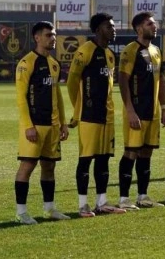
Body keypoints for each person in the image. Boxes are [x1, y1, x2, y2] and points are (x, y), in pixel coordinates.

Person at [67, 13, 126, 216]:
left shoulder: (110, 54)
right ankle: (83, 204)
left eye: (113, 26)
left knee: (103, 159)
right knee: (86, 159)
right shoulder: (85, 50)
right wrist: (79, 108)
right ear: (99, 29)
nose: (113, 30)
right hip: (89, 115)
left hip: (106, 116)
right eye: (110, 26)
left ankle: (102, 202)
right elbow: (72, 82)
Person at [14, 21, 70, 224]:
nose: (53, 38)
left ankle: (49, 209)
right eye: (48, 35)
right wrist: (28, 126)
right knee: (28, 166)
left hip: (52, 126)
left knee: (49, 167)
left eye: (54, 35)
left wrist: (63, 123)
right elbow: (21, 98)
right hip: (35, 125)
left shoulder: (54, 64)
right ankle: (21, 212)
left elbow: (58, 95)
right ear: (37, 38)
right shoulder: (26, 63)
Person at [117, 12, 165, 210]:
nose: (154, 27)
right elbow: (123, 81)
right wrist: (130, 110)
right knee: (131, 152)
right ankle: (123, 198)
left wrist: (163, 108)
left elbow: (160, 81)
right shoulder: (130, 50)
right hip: (136, 111)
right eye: (149, 24)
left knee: (147, 153)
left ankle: (143, 196)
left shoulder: (156, 50)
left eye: (154, 24)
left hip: (152, 112)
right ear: (139, 28)